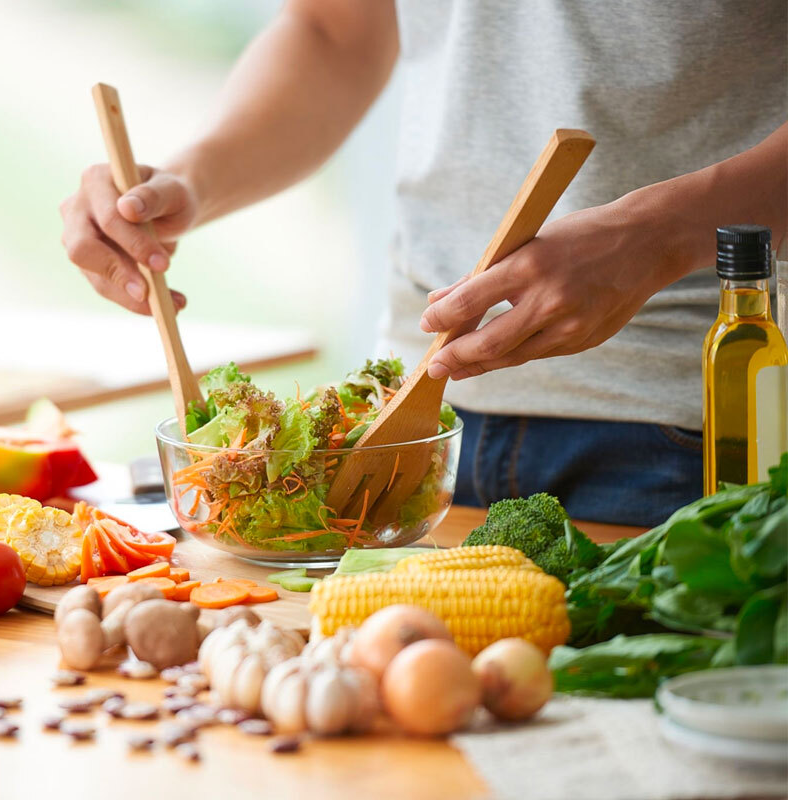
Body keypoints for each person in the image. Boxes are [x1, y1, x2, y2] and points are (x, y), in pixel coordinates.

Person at [59, 0, 788, 527]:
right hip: (412, 425)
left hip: (696, 419)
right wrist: (190, 181)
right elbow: (335, 30)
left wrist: (662, 233)